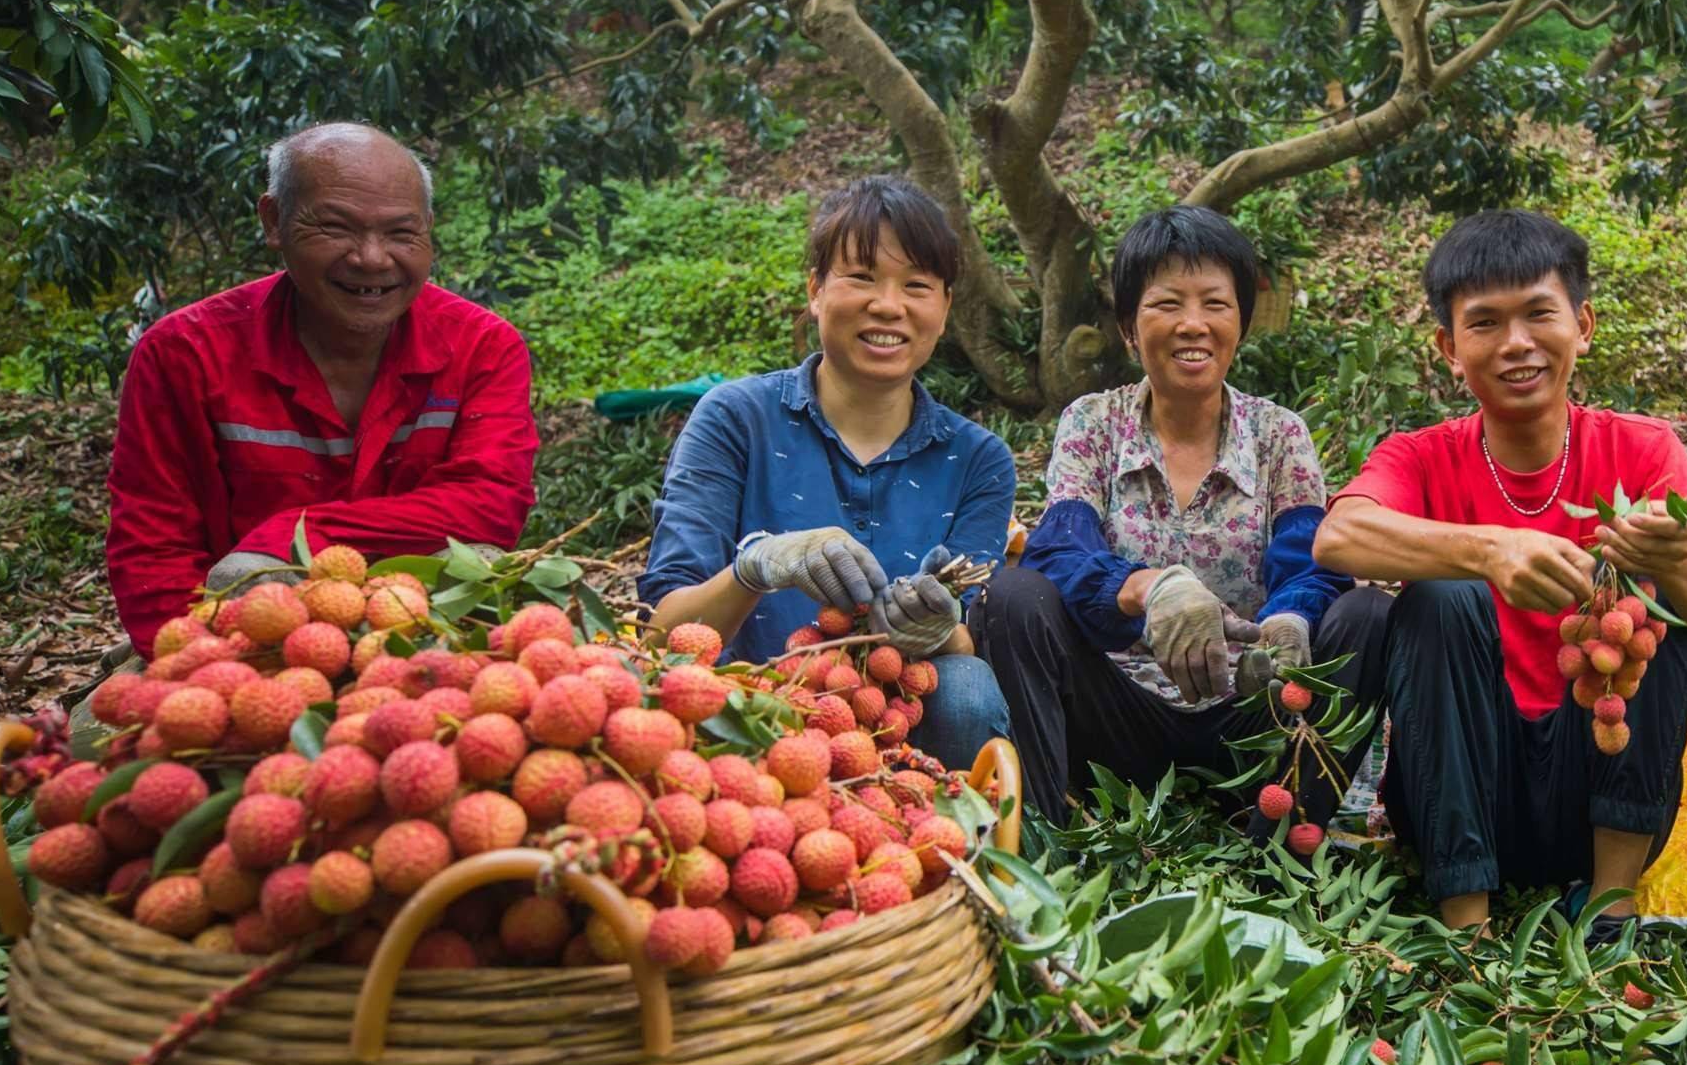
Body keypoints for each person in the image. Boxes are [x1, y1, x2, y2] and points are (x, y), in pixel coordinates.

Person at [1315, 210, 1687, 930]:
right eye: (1484, 323)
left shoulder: (1642, 451)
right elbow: (1339, 537)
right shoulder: (1419, 455)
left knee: (1658, 608)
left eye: (1538, 314)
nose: (1516, 343)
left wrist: (1673, 562)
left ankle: (1612, 902)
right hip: (1462, 788)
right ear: (1448, 348)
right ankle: (1466, 912)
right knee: (1441, 599)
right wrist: (1488, 550)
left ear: (1582, 325)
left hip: (1592, 787)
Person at [983, 208, 1391, 831]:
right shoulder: (1094, 424)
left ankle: (1280, 841)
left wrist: (1291, 619)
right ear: (1127, 326)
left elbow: (1308, 554)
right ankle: (1043, 832)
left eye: (1215, 304)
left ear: (1240, 323)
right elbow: (1058, 552)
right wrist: (1151, 587)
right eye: (1166, 303)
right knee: (1011, 596)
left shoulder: (1277, 433)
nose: (1192, 324)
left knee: (1368, 615)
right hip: (1119, 717)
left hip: (1252, 717)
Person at [104, 122, 538, 654]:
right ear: (274, 221)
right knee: (102, 736)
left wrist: (293, 536)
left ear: (428, 230)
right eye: (336, 228)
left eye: (402, 233)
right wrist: (193, 660)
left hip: (428, 641)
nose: (372, 258)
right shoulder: (184, 353)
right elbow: (154, 548)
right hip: (244, 639)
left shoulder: (482, 347)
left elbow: (489, 504)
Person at [640, 176, 1012, 765]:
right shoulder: (736, 419)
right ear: (815, 291)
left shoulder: (978, 459)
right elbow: (661, 637)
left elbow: (968, 645)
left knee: (966, 688)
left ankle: (962, 846)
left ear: (944, 309)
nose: (888, 305)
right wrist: (757, 567)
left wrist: (936, 628)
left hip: (896, 736)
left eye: (916, 285)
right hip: (745, 721)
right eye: (861, 277)